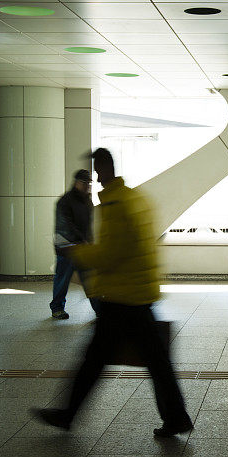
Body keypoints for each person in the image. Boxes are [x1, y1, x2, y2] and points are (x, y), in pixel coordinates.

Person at [33, 148, 193, 438]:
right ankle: (175, 417)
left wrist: (77, 253)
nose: (95, 177)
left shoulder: (117, 204)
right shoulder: (134, 197)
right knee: (151, 362)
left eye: (97, 170)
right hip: (137, 292)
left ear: (104, 169)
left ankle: (68, 414)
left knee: (98, 360)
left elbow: (110, 254)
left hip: (122, 297)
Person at [50, 169, 96, 319]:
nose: (87, 186)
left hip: (82, 247)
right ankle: (57, 308)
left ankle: (100, 310)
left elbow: (90, 225)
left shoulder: (88, 201)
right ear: (76, 182)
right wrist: (82, 239)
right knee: (62, 280)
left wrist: (89, 241)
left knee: (90, 280)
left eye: (89, 183)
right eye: (85, 183)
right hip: (67, 249)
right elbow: (66, 225)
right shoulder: (64, 201)